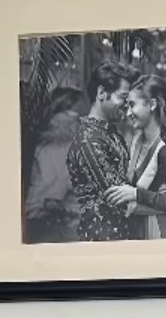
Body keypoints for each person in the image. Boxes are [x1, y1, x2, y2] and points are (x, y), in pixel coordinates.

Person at [105, 75, 166, 240]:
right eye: (127, 106)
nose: (128, 113)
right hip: (143, 231)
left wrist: (137, 195)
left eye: (132, 105)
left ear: (152, 105)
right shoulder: (136, 142)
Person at [65, 64, 134, 242]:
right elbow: (119, 197)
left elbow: (129, 182)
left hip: (121, 235)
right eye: (123, 97)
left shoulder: (110, 134)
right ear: (102, 93)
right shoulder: (89, 141)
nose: (128, 106)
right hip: (102, 238)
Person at [22, 88, 84, 243]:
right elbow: (40, 200)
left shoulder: (75, 148)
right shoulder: (40, 149)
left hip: (63, 222)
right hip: (40, 224)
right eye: (78, 118)